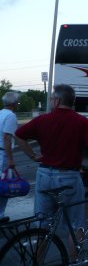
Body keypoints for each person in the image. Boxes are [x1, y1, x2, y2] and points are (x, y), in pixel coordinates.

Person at [14, 84, 88, 257]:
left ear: (57, 100)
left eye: (52, 98)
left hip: (44, 175)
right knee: (75, 226)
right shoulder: (80, 121)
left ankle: (37, 261)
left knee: (42, 226)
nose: (51, 101)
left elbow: (19, 135)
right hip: (68, 177)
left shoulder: (42, 120)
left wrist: (32, 155)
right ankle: (74, 261)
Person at [0, 92, 20, 222]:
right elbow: (7, 137)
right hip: (2, 154)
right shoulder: (11, 116)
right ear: (14, 104)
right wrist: (11, 159)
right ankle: (0, 214)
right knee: (4, 185)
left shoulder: (1, 113)